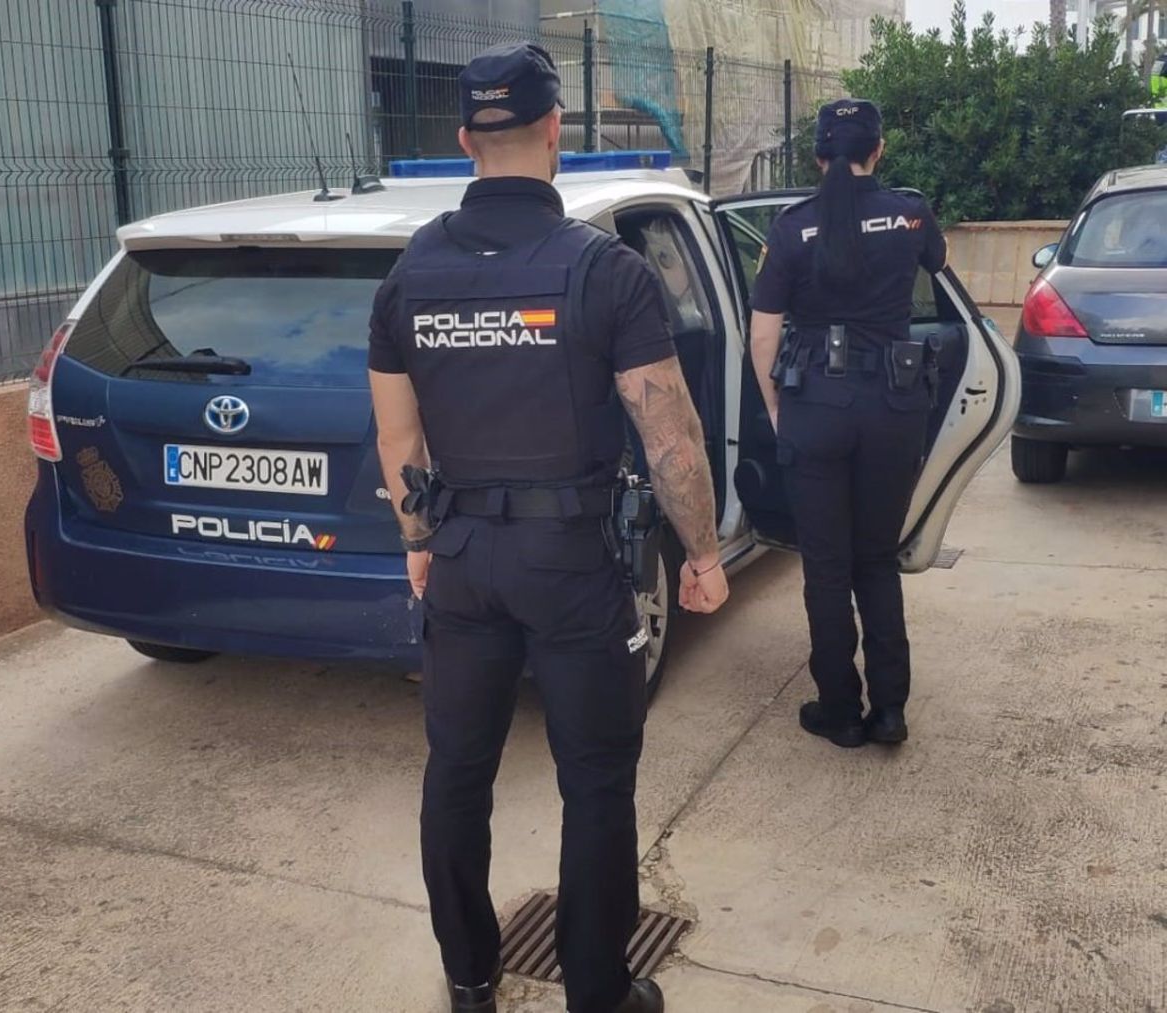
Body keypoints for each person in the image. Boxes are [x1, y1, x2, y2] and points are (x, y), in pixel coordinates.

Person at [367, 41, 729, 1013]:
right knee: (598, 779)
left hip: (464, 561)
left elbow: (397, 434)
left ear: (462, 140)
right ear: (555, 132)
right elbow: (670, 432)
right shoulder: (602, 270)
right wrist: (699, 552)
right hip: (572, 564)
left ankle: (470, 977)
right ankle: (599, 993)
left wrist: (417, 543)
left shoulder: (411, 275)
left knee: (457, 774)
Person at [747, 98, 947, 750]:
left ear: (817, 157)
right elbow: (938, 267)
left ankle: (841, 710)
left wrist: (779, 411)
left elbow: (764, 337)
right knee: (876, 561)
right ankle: (890, 710)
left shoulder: (791, 228)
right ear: (879, 150)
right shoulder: (913, 211)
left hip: (817, 408)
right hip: (894, 406)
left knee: (827, 570)